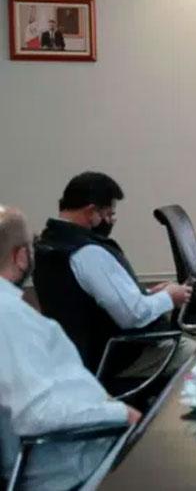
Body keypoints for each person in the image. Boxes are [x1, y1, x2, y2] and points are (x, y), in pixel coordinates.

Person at [0, 205, 139, 490]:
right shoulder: (9, 317)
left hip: (78, 446)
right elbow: (35, 415)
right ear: (21, 256)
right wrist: (120, 414)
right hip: (74, 466)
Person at [33, 172, 194, 374]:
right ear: (91, 211)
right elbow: (133, 316)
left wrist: (148, 294)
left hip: (78, 355)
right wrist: (169, 297)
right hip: (116, 357)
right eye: (108, 214)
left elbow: (90, 301)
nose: (110, 221)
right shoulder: (89, 253)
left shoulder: (49, 243)